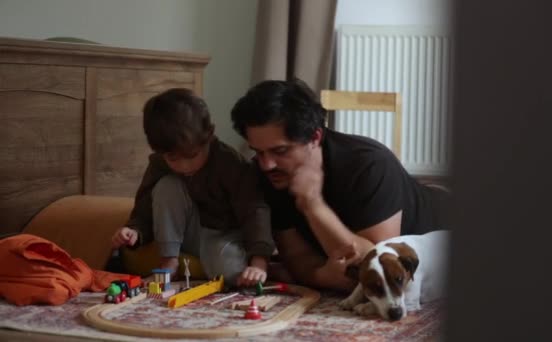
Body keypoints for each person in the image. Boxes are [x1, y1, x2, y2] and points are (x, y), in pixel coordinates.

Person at [230, 79, 448, 290]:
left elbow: (378, 265)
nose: (267, 164)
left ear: (315, 137)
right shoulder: (268, 173)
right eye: (258, 152)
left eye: (280, 151)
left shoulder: (369, 164)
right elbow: (298, 258)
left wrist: (312, 204)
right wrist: (320, 276)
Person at [111, 88, 274, 287]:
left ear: (209, 136)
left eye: (192, 155)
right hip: (185, 232)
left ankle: (266, 266)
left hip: (222, 233)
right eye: (173, 158)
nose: (184, 166)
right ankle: (169, 262)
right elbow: (146, 204)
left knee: (231, 274)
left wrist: (259, 262)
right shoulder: (160, 163)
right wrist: (134, 230)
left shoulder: (230, 163)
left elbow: (254, 210)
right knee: (167, 186)